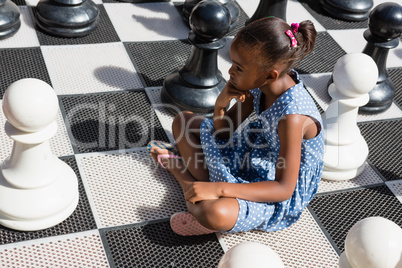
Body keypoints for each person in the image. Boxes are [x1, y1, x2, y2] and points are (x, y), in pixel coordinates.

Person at [149, 17, 324, 236]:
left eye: (239, 68)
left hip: (275, 186)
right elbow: (223, 133)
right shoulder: (262, 83)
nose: (230, 72)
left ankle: (182, 176)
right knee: (183, 121)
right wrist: (222, 103)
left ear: (270, 75)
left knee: (215, 213)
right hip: (255, 153)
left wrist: (219, 188)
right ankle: (201, 190)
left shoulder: (293, 118)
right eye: (232, 63)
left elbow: (282, 189)